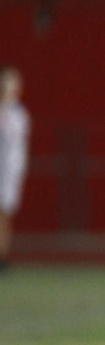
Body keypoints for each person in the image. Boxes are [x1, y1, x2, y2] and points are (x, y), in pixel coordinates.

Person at [0, 66, 28, 272]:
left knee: (5, 215)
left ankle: (3, 256)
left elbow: (19, 145)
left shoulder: (19, 114)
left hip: (10, 172)